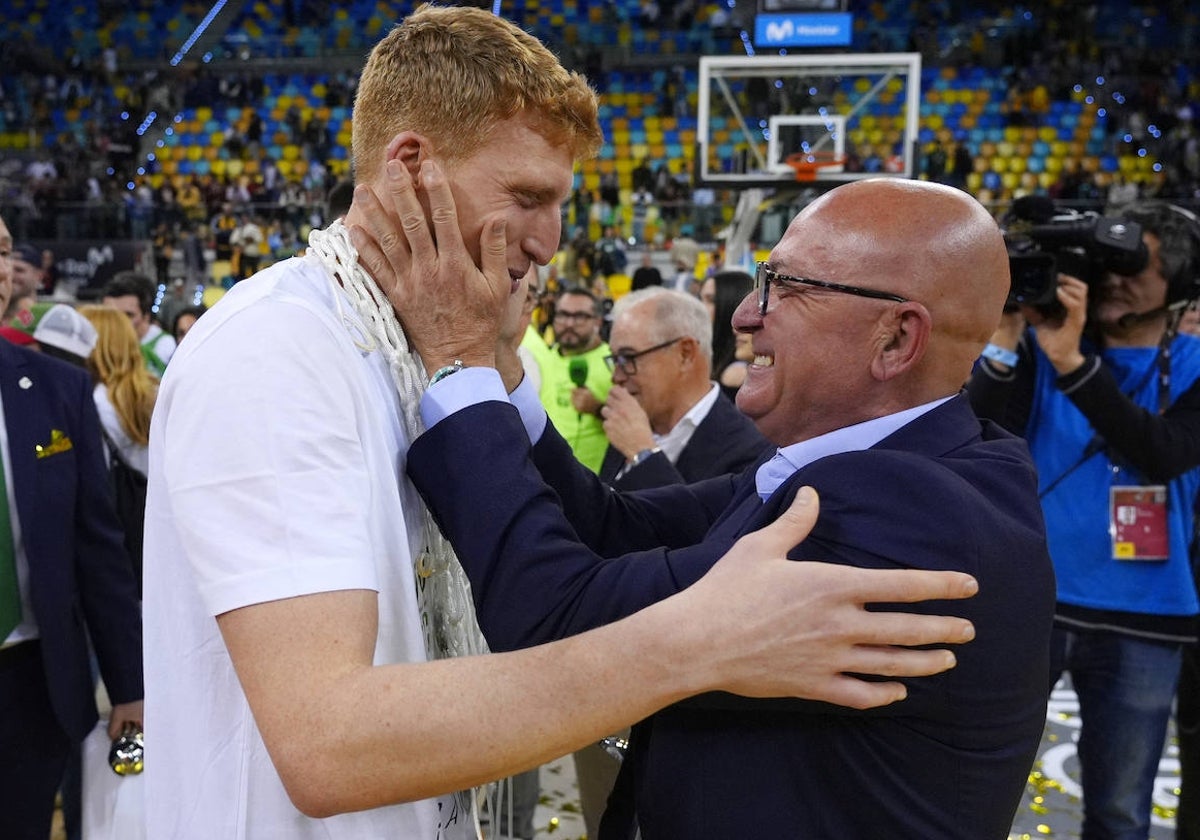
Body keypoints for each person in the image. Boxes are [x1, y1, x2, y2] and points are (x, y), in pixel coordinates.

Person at [143, 10, 979, 839]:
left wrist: (497, 368)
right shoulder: (278, 348)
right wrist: (695, 644)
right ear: (410, 170)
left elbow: (598, 534)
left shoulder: (430, 348)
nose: (548, 241)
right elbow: (329, 744)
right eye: (527, 198)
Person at [356, 174, 1055, 838]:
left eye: (784, 287)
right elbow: (612, 531)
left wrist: (458, 359)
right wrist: (504, 366)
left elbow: (559, 622)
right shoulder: (896, 467)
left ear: (896, 338)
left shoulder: (904, 514)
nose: (745, 315)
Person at [968, 200, 1200, 840]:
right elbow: (976, 434)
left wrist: (1072, 363)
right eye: (1108, 264)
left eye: (1134, 268)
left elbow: (1163, 452)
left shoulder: (1190, 367)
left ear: (1178, 284)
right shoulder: (1045, 347)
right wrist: (1008, 339)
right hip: (1032, 598)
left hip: (1147, 614)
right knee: (974, 789)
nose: (1113, 280)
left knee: (1121, 811)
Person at [0, 213, 144, 840]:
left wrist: (129, 687)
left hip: (33, 683)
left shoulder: (58, 390)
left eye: (4, 250)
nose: (2, 264)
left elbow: (99, 550)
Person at [599, 286, 769, 490]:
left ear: (685, 354)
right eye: (615, 359)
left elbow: (700, 521)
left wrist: (644, 454)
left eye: (628, 358)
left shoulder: (747, 450)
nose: (616, 376)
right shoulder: (633, 422)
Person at [537, 286, 613, 473]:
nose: (569, 324)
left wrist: (598, 409)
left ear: (598, 322)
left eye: (579, 317)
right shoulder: (542, 359)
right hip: (544, 480)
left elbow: (638, 426)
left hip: (595, 484)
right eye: (562, 315)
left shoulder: (616, 365)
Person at [101, 271, 176, 377]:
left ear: (146, 315)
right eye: (112, 314)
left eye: (128, 315)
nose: (119, 321)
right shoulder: (97, 345)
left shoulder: (165, 346)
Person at [700, 268, 756, 401]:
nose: (700, 307)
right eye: (701, 299)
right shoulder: (714, 357)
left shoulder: (737, 372)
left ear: (731, 304)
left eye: (711, 300)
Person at [3, 242, 42, 321]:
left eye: (19, 270)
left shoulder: (45, 320)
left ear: (38, 276)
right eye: (7, 269)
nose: (10, 275)